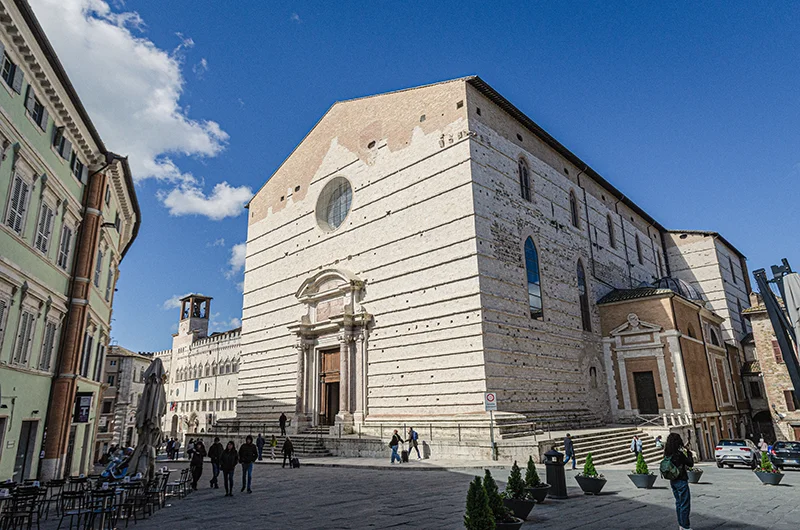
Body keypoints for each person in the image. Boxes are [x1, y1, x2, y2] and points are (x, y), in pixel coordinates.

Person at [664, 433, 694, 530]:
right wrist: (689, 454)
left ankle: (681, 524)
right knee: (685, 503)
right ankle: (685, 526)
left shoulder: (667, 454)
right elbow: (690, 464)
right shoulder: (679, 454)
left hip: (673, 480)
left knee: (678, 503)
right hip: (681, 479)